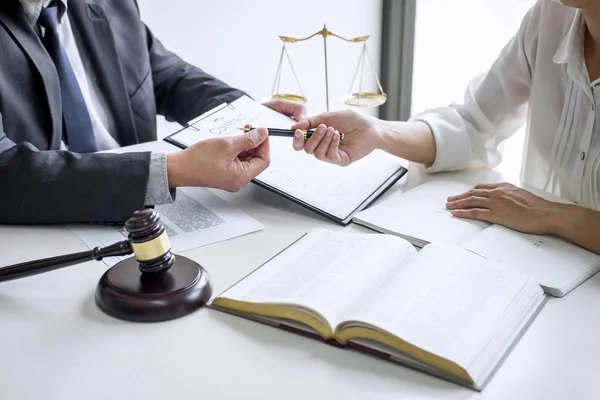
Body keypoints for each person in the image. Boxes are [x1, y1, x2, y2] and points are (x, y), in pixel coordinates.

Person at [291, 0, 600, 255]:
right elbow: (473, 126)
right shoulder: (550, 16)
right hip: (542, 258)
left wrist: (551, 215)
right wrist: (377, 132)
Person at [0, 0, 306, 224]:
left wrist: (250, 117)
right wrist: (172, 170)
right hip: (41, 230)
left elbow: (169, 78)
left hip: (147, 214)